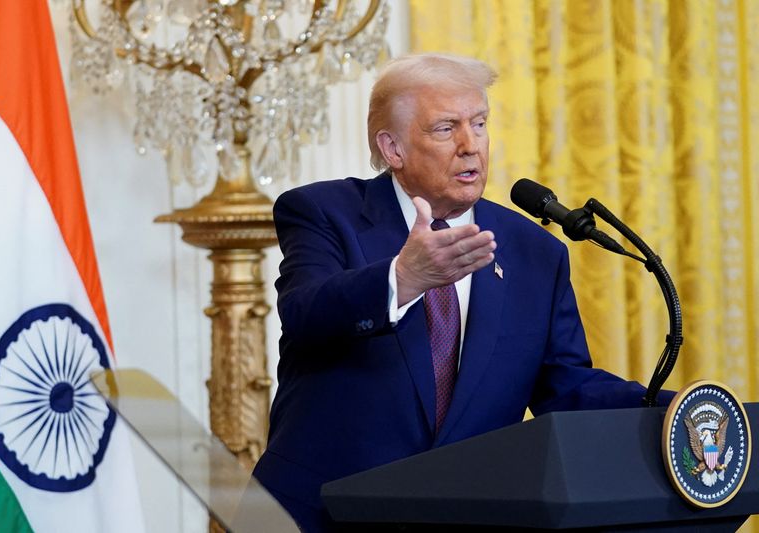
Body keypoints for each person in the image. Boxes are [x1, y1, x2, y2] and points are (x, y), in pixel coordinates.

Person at [253, 53, 668, 532]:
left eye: (480, 123)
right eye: (445, 129)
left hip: (462, 514)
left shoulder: (534, 251)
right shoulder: (325, 211)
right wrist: (402, 279)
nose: (471, 146)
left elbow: (566, 387)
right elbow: (306, 312)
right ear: (393, 148)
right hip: (318, 514)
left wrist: (672, 411)